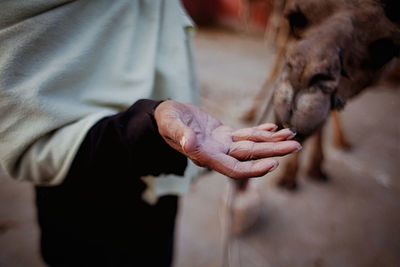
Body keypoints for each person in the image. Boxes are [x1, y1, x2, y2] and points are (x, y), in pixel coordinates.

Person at [0, 1, 301, 266]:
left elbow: (172, 82)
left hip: (160, 201)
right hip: (82, 203)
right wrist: (147, 127)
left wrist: (204, 150)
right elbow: (26, 129)